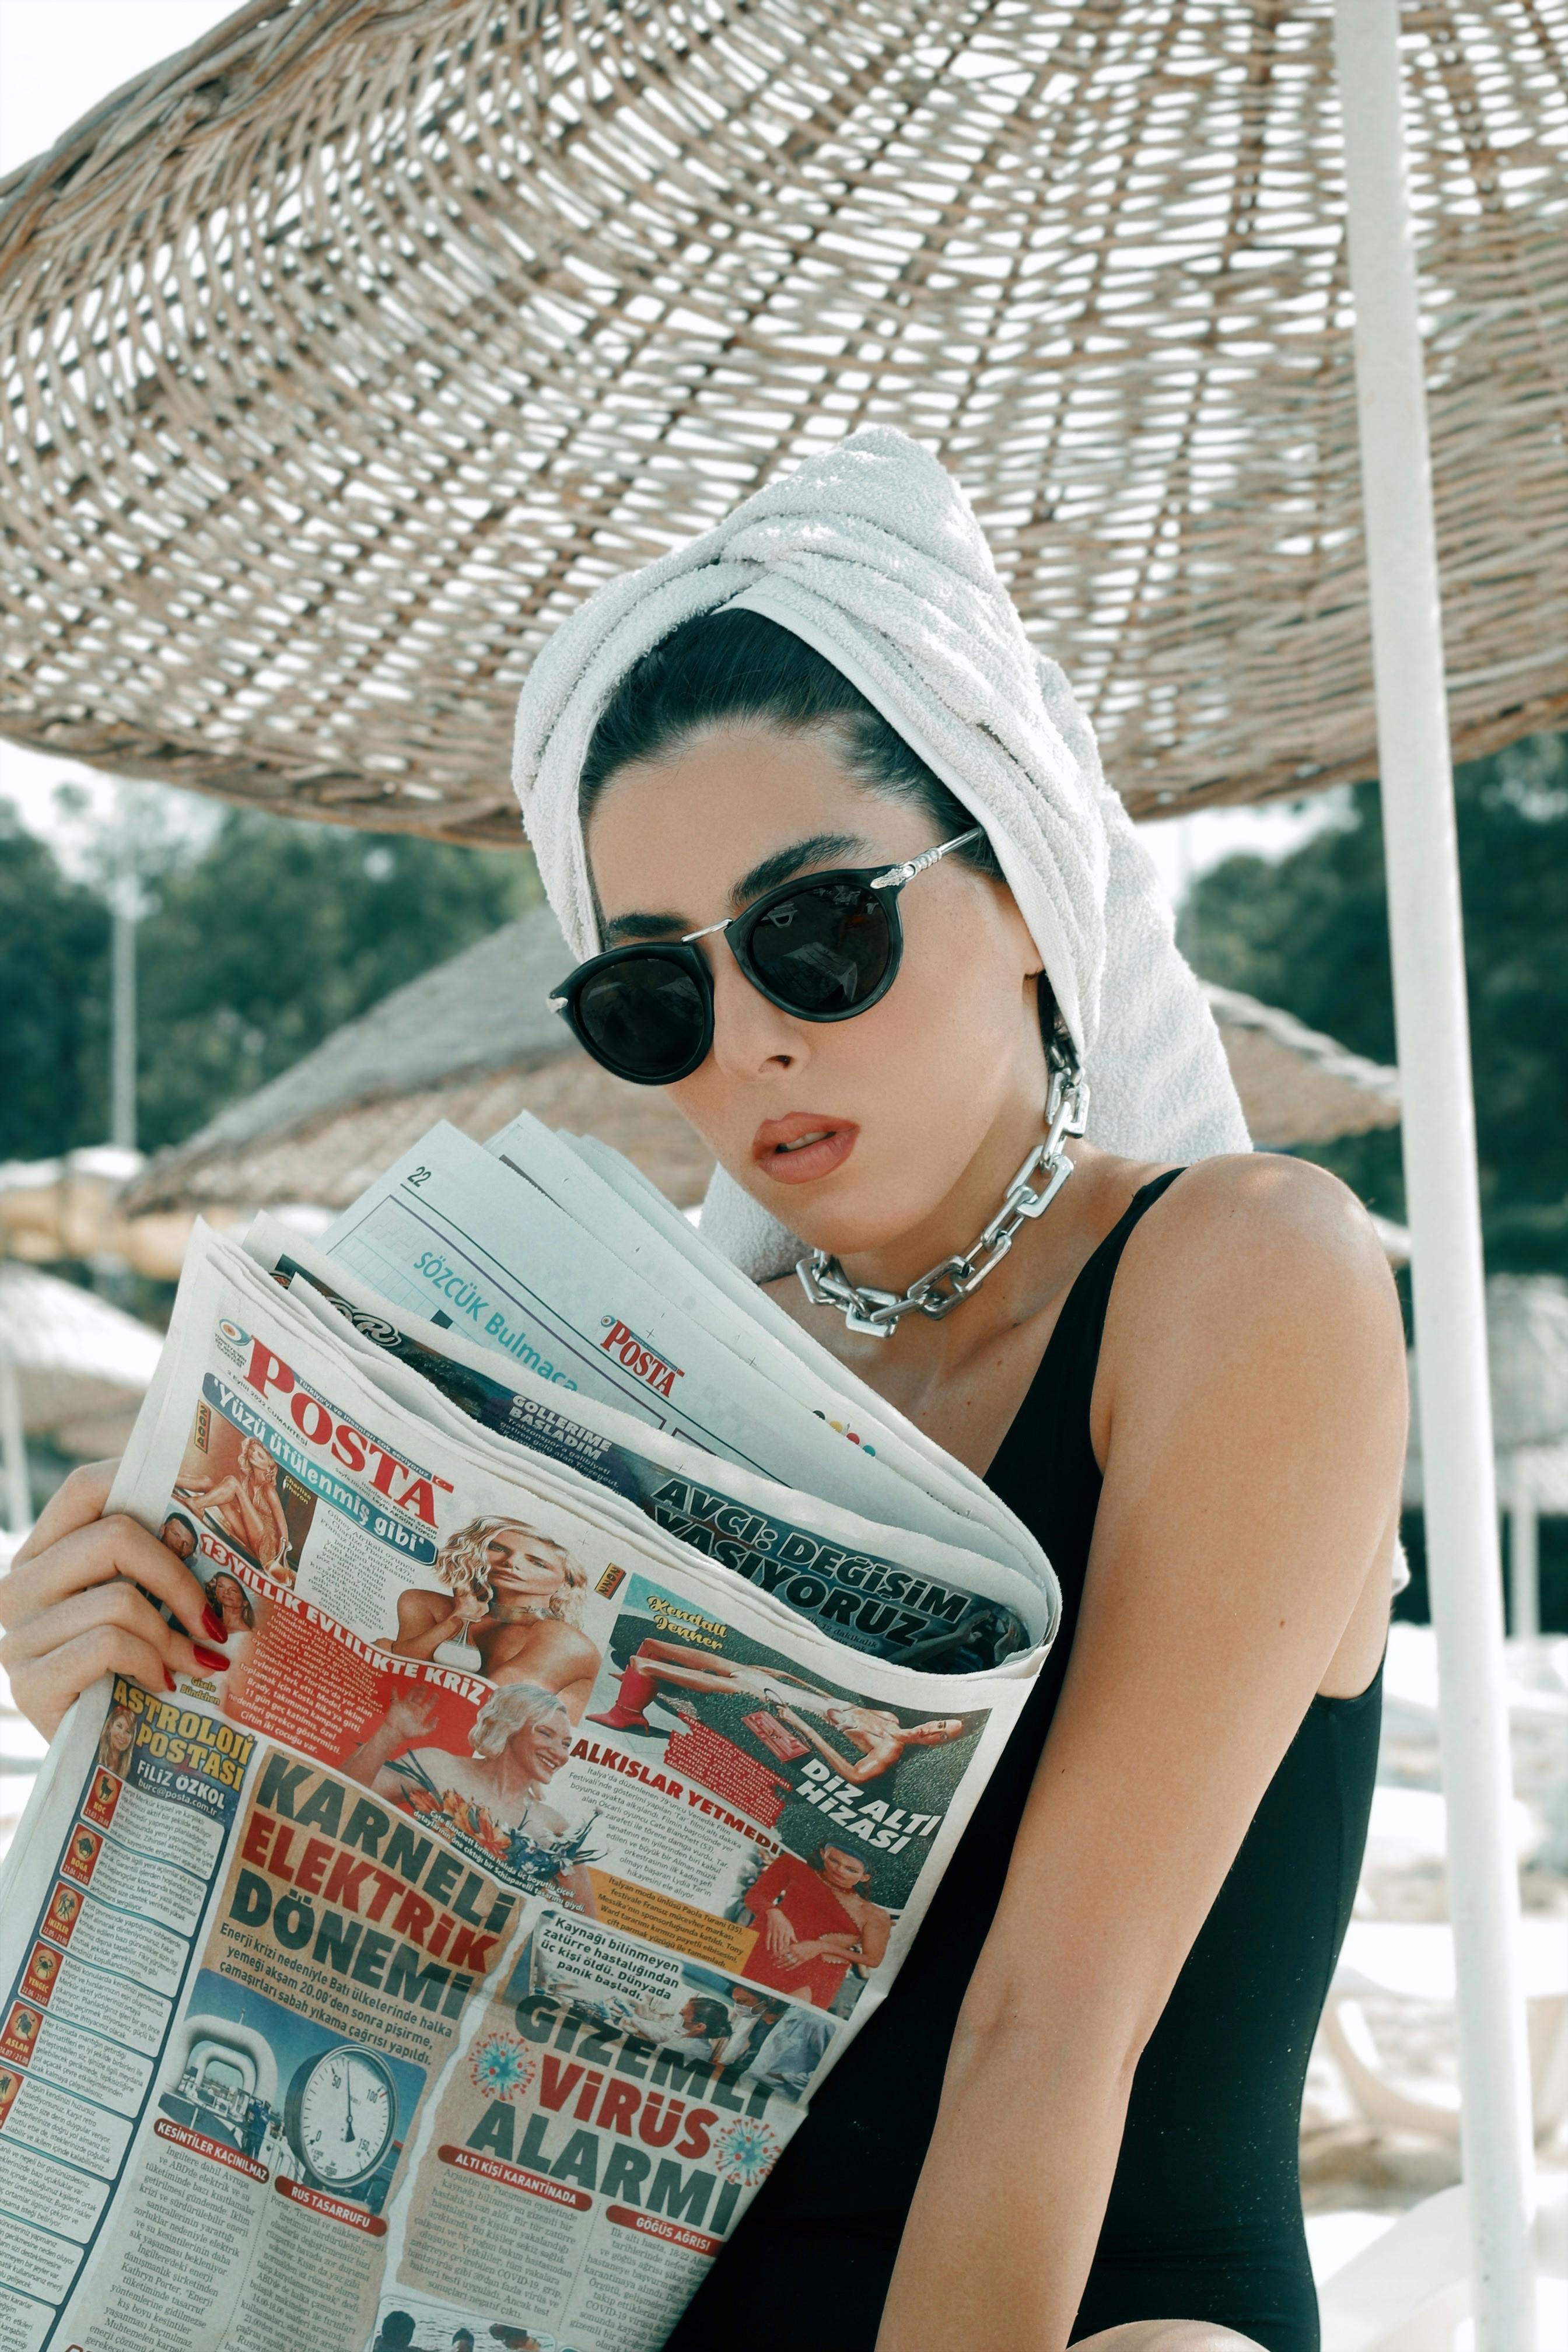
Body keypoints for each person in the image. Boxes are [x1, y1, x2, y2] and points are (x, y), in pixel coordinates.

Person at [2, 432, 1406, 2352]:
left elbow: (1038, 2031)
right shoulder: (656, 1382)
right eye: (652, 996)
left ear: (1013, 878)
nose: (746, 1038)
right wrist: (125, 1692)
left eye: (819, 929)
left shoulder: (1244, 1275)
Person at [344, 1683, 599, 1914]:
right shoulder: (438, 1766)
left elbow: (583, 1925)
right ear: (509, 1728)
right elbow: (340, 1794)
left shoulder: (553, 1827)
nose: (559, 1753)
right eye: (546, 1734)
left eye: (566, 1744)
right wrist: (390, 1733)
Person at [588, 1636, 964, 1784]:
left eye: (941, 1736)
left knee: (643, 1664)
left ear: (934, 1746)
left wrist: (805, 1727)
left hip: (766, 1699)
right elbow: (828, 1698)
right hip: (785, 1688)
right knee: (652, 1646)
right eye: (941, 1723)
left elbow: (852, 1775)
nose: (934, 1730)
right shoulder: (890, 1719)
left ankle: (628, 1712)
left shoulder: (888, 1751)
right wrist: (788, 1677)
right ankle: (638, 1692)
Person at [380, 1517, 600, 1718]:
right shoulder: (425, 1604)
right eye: (498, 1549)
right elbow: (401, 1671)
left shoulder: (563, 1639)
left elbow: (483, 1710)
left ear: (566, 1583)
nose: (511, 1563)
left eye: (537, 1563)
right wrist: (458, 1618)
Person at [740, 1845, 892, 2011]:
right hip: (764, 1950)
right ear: (823, 1854)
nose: (839, 1871)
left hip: (817, 1975)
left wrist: (820, 1947)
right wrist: (774, 1913)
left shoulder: (873, 1914)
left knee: (784, 2027)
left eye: (851, 1870)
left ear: (865, 1877)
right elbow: (756, 1896)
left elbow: (873, 1959)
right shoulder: (794, 1865)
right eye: (834, 1860)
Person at [174, 1437, 292, 1579]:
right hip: (250, 1534)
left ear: (270, 1466)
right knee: (208, 1483)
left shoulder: (268, 1489)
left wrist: (282, 1548)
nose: (253, 1454)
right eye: (252, 1450)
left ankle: (196, 1504)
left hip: (267, 1545)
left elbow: (281, 1522)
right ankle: (172, 1478)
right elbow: (233, 1500)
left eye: (260, 1455)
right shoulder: (247, 1480)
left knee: (232, 1483)